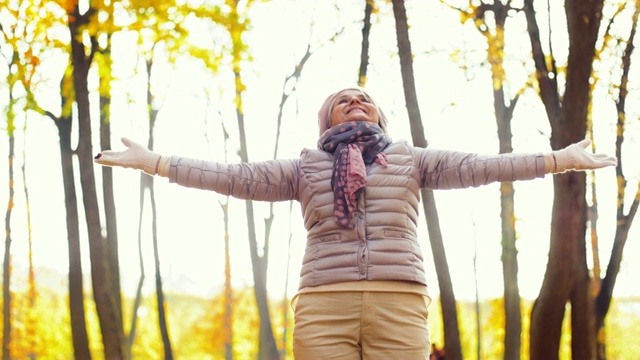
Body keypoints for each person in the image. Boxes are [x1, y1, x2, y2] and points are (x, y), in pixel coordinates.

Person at [95, 87, 617, 359]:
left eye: (364, 97)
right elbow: (232, 176)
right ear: (327, 120)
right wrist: (155, 162)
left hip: (399, 301)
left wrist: (559, 159)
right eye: (342, 99)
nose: (355, 101)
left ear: (380, 117)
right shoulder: (305, 166)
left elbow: (485, 166)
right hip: (325, 304)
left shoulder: (412, 159)